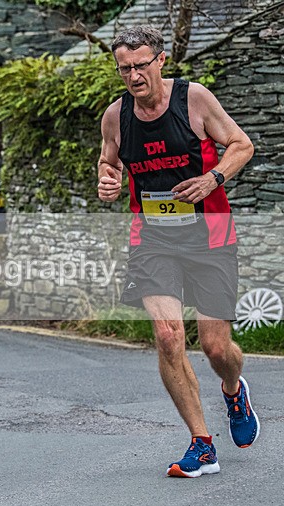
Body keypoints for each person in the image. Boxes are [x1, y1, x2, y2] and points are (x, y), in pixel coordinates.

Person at [98, 26, 258, 478]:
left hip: (210, 235)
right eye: (124, 68)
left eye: (140, 65)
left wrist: (213, 179)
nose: (132, 76)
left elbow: (242, 145)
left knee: (215, 346)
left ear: (161, 61)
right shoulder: (116, 116)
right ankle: (202, 443)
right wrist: (107, 179)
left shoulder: (194, 100)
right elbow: (108, 160)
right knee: (168, 336)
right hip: (153, 239)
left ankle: (232, 388)